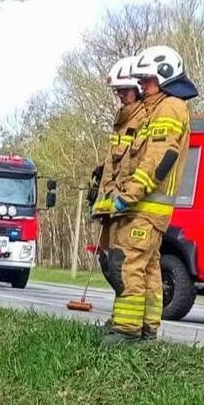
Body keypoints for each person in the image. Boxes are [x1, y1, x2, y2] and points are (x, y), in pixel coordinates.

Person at [104, 45, 197, 343]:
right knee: (148, 268)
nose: (142, 85)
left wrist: (129, 194)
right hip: (147, 207)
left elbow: (159, 158)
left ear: (165, 76)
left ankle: (127, 330)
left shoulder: (170, 107)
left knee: (128, 263)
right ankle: (146, 328)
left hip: (145, 205)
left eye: (146, 80)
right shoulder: (157, 107)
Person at [90, 55, 143, 296]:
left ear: (138, 88)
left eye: (125, 90)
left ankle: (129, 314)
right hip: (111, 202)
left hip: (129, 206)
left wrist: (125, 198)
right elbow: (116, 161)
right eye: (117, 90)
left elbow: (140, 163)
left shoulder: (143, 119)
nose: (120, 95)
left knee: (122, 265)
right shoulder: (121, 119)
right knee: (107, 260)